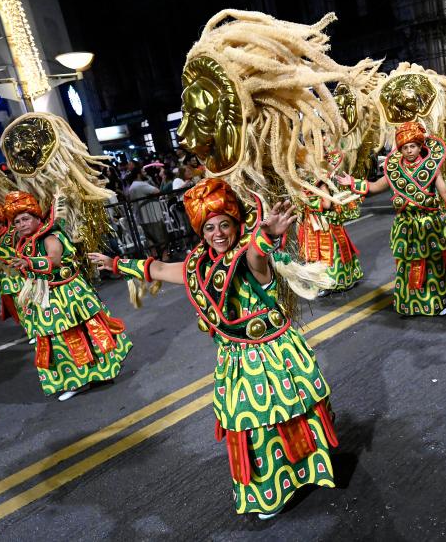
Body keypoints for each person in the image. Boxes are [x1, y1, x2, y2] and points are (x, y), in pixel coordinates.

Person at [89, 178, 338, 519]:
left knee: (278, 417)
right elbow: (159, 268)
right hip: (236, 358)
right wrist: (115, 263)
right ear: (200, 232)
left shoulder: (248, 257)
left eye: (225, 225)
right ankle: (271, 488)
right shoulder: (197, 266)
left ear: (237, 225)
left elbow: (257, 254)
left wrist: (268, 236)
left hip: (271, 353)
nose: (218, 233)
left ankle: (302, 471)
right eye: (209, 228)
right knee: (248, 422)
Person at [4, 191, 132, 401]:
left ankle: (84, 379)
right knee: (60, 341)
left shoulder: (50, 236)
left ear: (37, 218)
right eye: (17, 221)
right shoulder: (26, 242)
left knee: (74, 336)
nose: (21, 224)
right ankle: (84, 377)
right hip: (46, 296)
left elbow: (53, 259)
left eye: (25, 218)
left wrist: (30, 263)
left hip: (65, 295)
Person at [338, 121, 446, 316]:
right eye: (405, 147)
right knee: (406, 266)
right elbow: (375, 187)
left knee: (432, 265)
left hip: (429, 226)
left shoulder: (431, 168)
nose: (409, 151)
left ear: (420, 146)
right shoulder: (394, 171)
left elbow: (445, 193)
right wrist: (352, 182)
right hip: (405, 227)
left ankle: (436, 303)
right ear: (400, 149)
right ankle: (411, 304)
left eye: (413, 146)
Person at [298, 151, 363, 294]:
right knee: (316, 254)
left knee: (330, 253)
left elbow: (327, 203)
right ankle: (322, 283)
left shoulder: (320, 180)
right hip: (313, 223)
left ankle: (334, 282)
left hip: (325, 224)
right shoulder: (306, 180)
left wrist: (308, 202)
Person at [127, 170, 169, 261]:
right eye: (142, 171)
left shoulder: (131, 187)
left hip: (142, 217)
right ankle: (165, 257)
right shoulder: (141, 185)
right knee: (160, 237)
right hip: (152, 215)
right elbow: (157, 191)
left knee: (150, 239)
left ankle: (155, 258)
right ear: (138, 174)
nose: (144, 173)